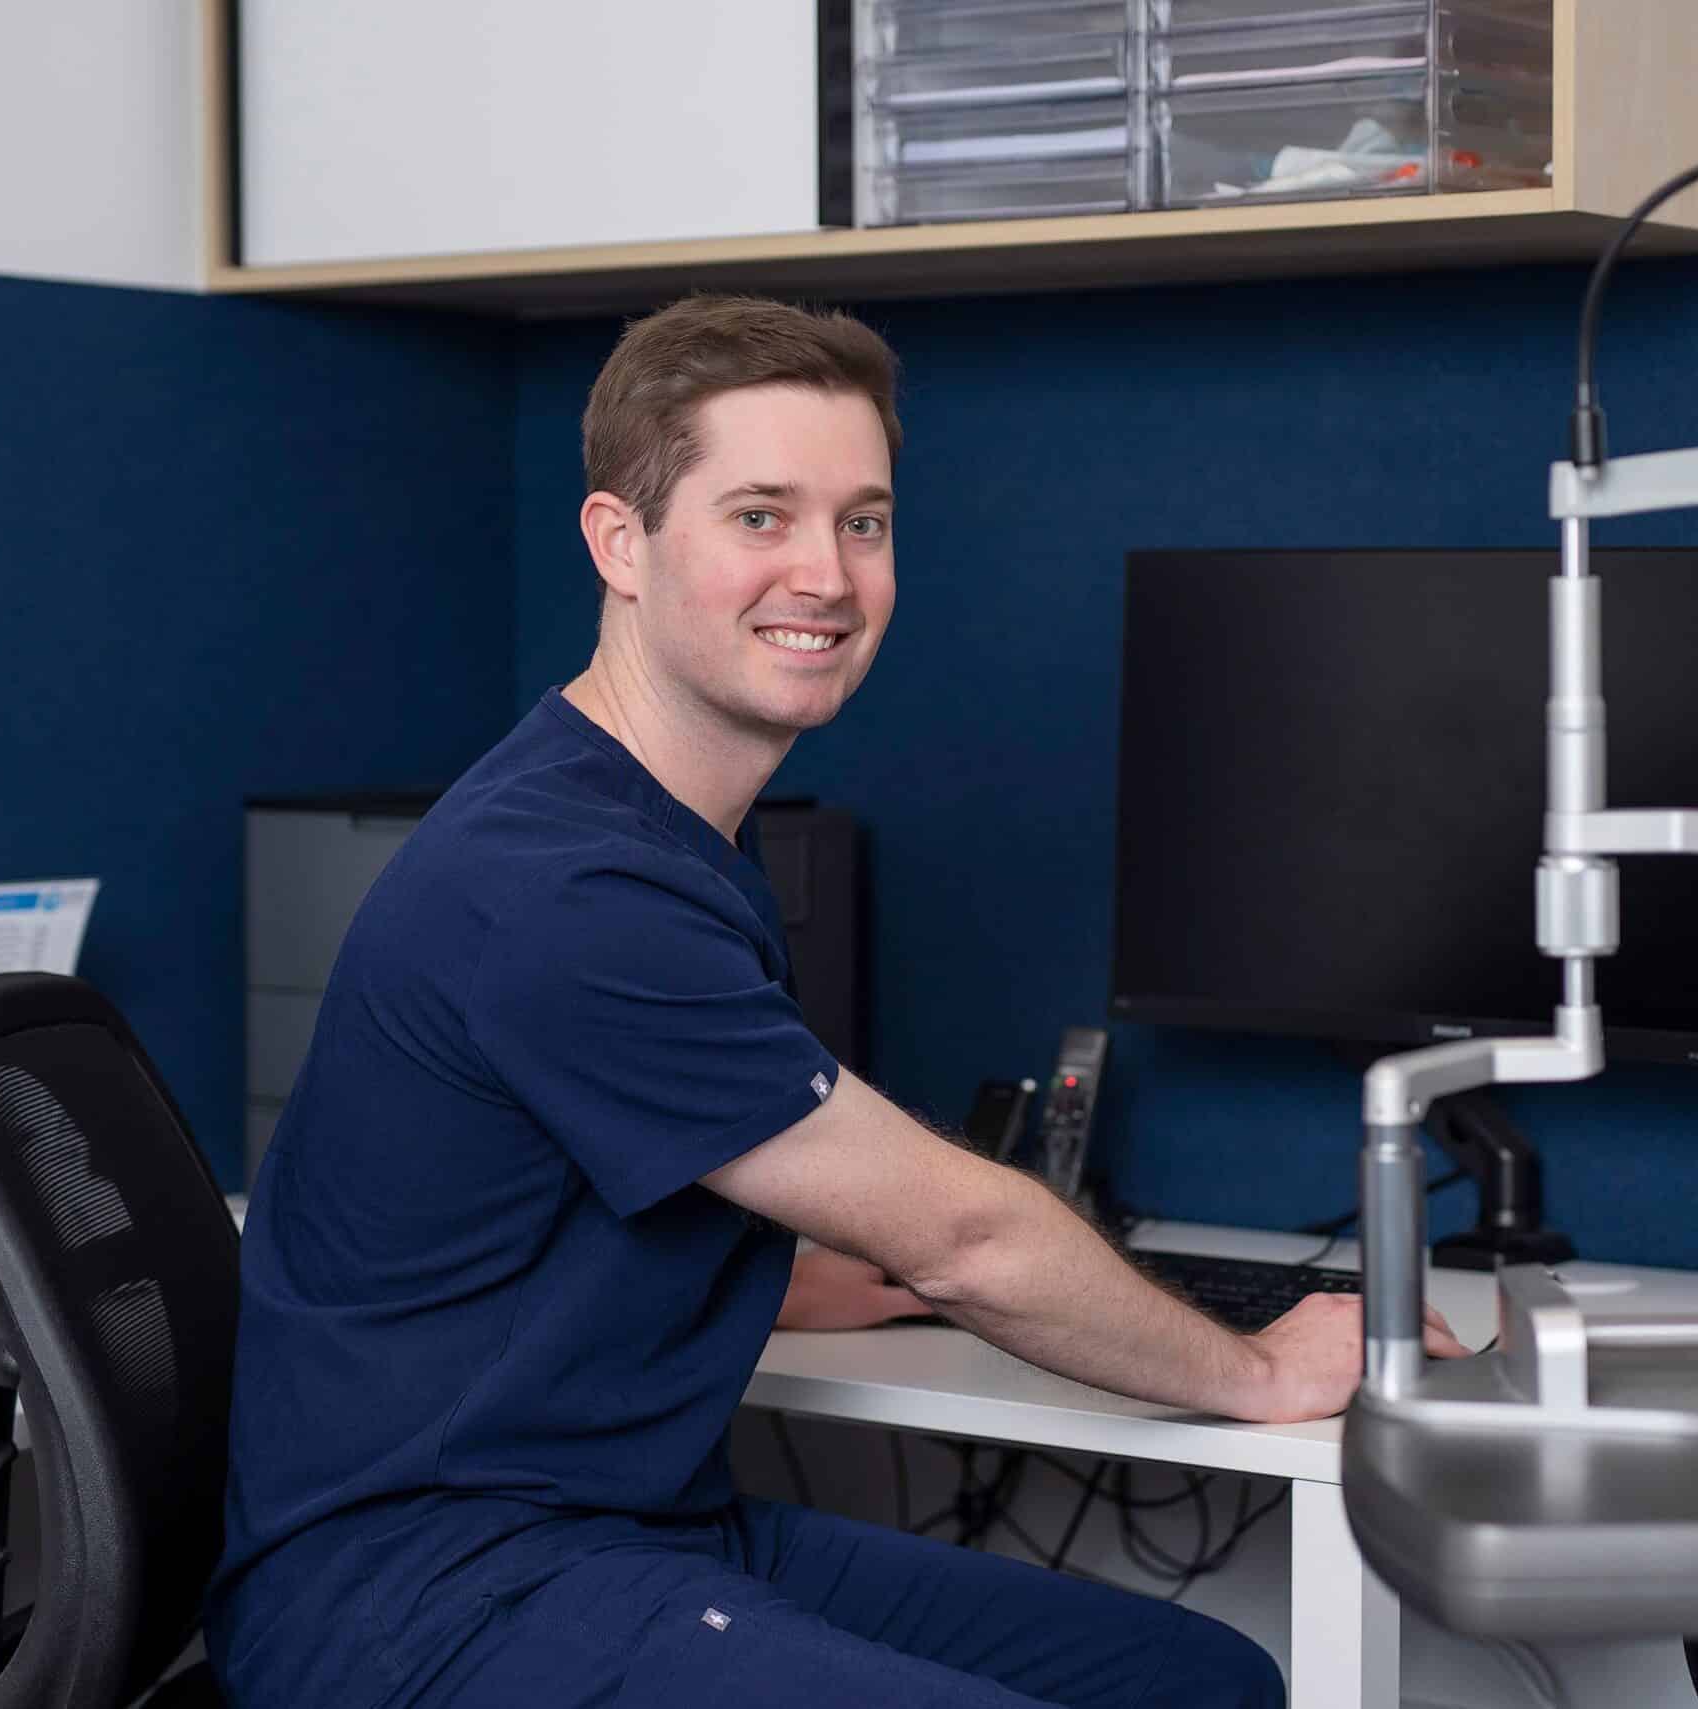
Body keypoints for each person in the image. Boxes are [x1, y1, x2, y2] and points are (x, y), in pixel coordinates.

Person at [206, 294, 1467, 1709]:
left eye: (861, 521)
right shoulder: (567, 887)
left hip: (616, 1526)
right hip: (428, 1595)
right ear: (620, 543)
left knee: (1201, 1679)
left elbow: (589, 1193)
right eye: (761, 515)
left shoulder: (661, 826)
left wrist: (780, 1281)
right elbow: (963, 1237)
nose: (826, 572)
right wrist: (1259, 1367)